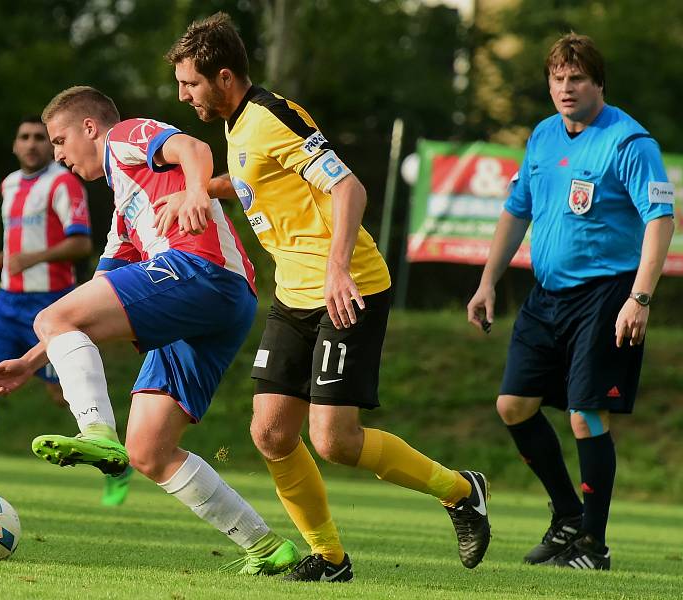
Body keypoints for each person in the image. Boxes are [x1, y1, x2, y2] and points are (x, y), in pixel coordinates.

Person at [163, 13, 491, 582]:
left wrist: (337, 270)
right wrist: (197, 192)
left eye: (189, 84)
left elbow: (348, 186)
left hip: (350, 287)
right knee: (269, 433)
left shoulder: (270, 118)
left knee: (334, 441)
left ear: (222, 76)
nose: (183, 95)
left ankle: (462, 492)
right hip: (293, 294)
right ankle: (330, 559)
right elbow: (255, 181)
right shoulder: (237, 125)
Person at [0, 86, 300, 575]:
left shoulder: (124, 137)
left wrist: (196, 190)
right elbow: (88, 304)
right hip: (221, 302)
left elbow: (194, 148)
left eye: (61, 140)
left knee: (50, 316)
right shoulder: (124, 211)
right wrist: (29, 362)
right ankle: (267, 548)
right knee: (149, 450)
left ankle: (95, 430)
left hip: (202, 270)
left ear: (90, 127)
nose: (58, 153)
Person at [466, 34, 675, 570]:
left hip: (606, 295)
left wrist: (640, 297)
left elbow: (660, 221)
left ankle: (594, 545)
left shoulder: (629, 143)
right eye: (557, 78)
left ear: (598, 83)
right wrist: (488, 281)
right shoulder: (542, 136)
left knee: (585, 413)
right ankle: (566, 518)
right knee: (513, 406)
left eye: (577, 78)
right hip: (546, 295)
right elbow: (517, 211)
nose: (565, 88)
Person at [0, 117, 130, 507]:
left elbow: (81, 243)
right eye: (25, 137)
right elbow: (16, 241)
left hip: (51, 302)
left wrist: (31, 259)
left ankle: (118, 463)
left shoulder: (63, 182)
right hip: (8, 300)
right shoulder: (10, 184)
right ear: (15, 146)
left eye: (41, 137)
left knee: (61, 392)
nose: (33, 143)